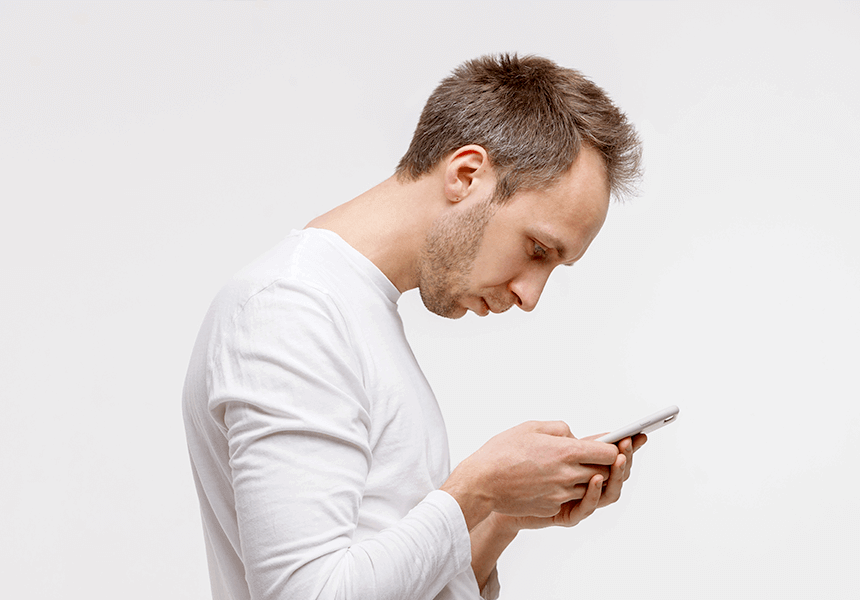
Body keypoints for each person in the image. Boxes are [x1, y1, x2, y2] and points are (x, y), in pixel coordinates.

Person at [182, 53, 644, 600]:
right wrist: (479, 490)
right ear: (467, 175)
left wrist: (502, 520)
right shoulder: (292, 311)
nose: (530, 295)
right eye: (537, 249)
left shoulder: (349, 309)